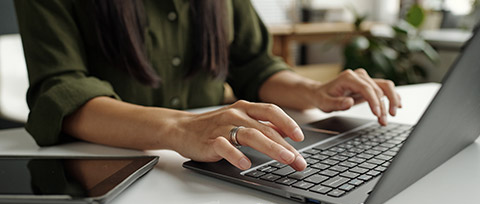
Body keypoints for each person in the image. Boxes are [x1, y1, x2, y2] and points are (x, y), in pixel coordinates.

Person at [15, 0, 401, 172]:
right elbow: (61, 92)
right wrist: (179, 128)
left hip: (218, 168)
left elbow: (255, 65)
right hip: (107, 169)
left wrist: (312, 91)